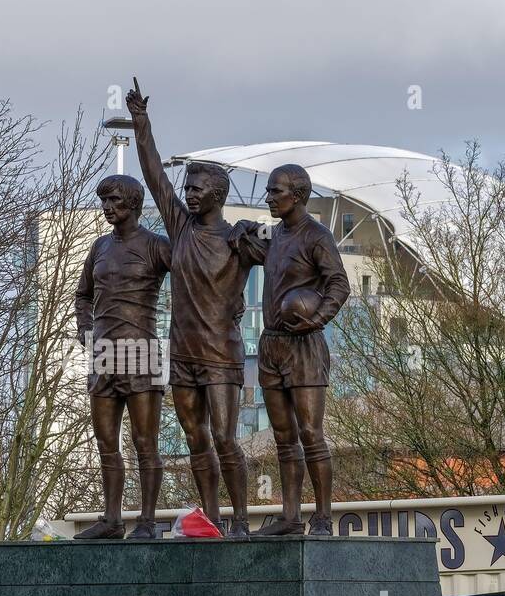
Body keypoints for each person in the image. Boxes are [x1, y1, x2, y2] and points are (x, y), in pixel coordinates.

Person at [127, 80, 258, 536]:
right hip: (182, 354)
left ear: (218, 193)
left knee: (225, 438)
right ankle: (211, 519)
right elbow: (153, 175)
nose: (190, 193)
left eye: (198, 188)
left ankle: (240, 520)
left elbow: (286, 258)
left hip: (221, 353)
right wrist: (142, 123)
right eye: (189, 187)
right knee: (194, 439)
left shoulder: (238, 237)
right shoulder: (180, 228)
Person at [231, 166, 349, 534]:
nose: (268, 198)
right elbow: (251, 244)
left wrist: (317, 319)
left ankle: (324, 518)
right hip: (272, 345)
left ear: (297, 196)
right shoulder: (276, 235)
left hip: (305, 346)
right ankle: (291, 516)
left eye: (274, 192)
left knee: (311, 434)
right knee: (284, 437)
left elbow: (339, 285)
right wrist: (240, 229)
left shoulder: (318, 236)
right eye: (268, 192)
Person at [73, 174, 172, 539]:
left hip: (142, 354)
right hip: (104, 356)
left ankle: (147, 521)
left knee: (145, 442)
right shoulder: (99, 247)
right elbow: (82, 295)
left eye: (113, 200)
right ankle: (112, 519)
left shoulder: (156, 246)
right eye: (103, 201)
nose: (107, 207)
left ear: (132, 204)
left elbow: (195, 279)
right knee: (105, 442)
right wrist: (86, 330)